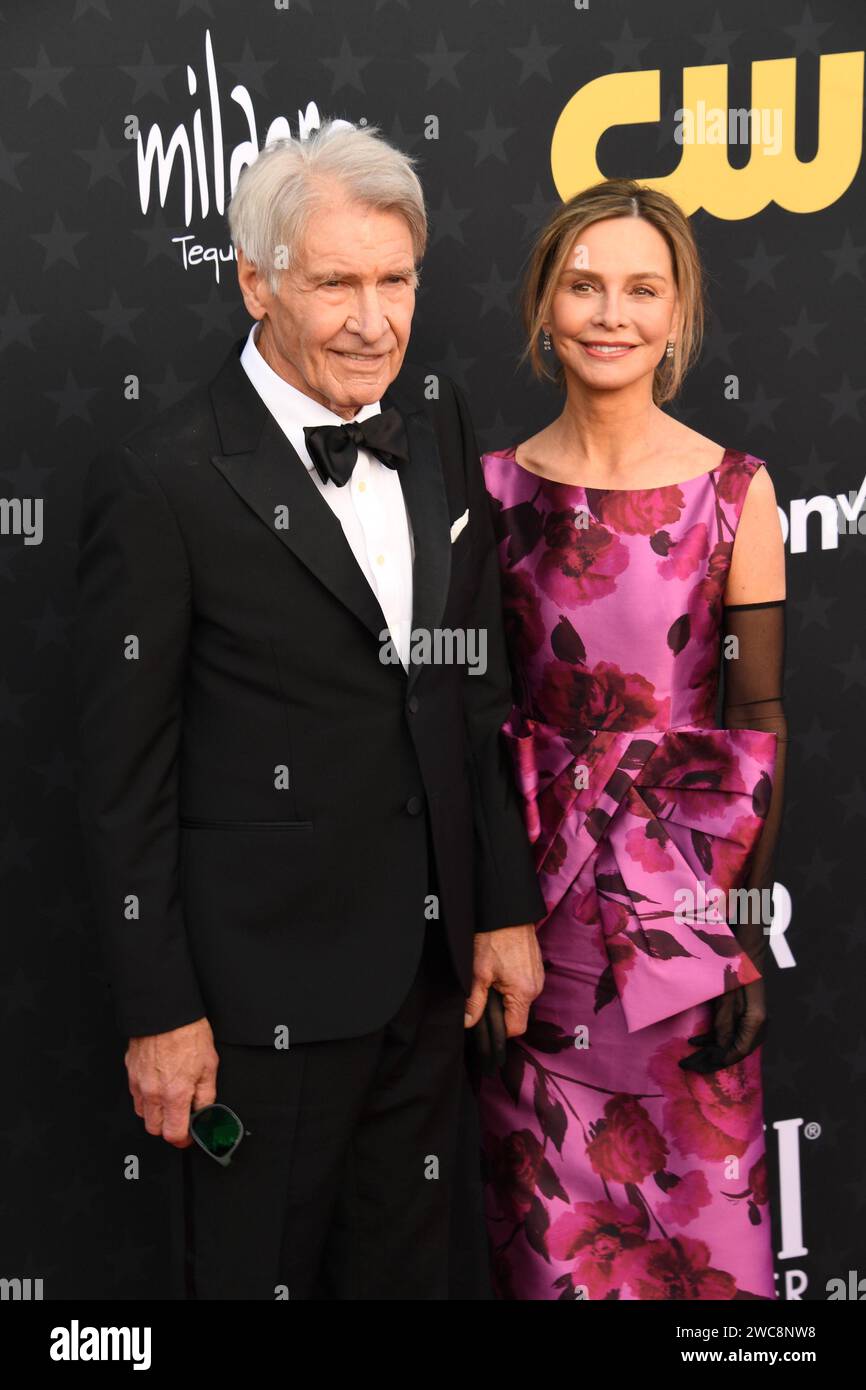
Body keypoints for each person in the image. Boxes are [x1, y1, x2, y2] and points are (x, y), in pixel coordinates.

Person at [73, 120, 546, 1300]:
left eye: (396, 281)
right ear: (253, 280)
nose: (372, 319)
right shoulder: (164, 476)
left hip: (429, 980)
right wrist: (160, 1010)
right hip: (251, 1006)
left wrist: (498, 905)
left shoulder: (432, 418)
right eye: (335, 281)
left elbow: (469, 689)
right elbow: (124, 771)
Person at [473, 178, 788, 1300]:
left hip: (684, 924)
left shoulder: (736, 494)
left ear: (676, 313)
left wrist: (742, 929)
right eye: (584, 285)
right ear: (543, 308)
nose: (611, 312)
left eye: (640, 289)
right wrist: (483, 920)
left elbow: (753, 719)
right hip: (537, 930)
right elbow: (468, 726)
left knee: (710, 1258)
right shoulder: (489, 493)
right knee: (551, 1261)